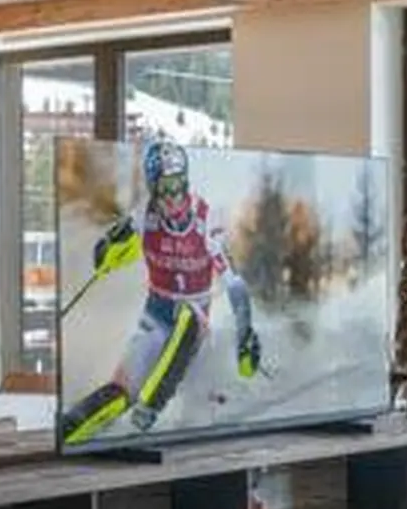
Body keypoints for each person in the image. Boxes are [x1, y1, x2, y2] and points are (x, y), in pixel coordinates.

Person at [59, 141, 263, 443]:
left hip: (195, 321)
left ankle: (153, 403)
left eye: (178, 185)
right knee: (120, 391)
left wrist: (245, 331)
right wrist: (110, 245)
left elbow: (233, 281)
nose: (173, 197)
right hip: (155, 317)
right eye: (164, 189)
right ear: (154, 189)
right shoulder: (144, 216)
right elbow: (105, 258)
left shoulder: (204, 218)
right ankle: (72, 429)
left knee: (189, 318)